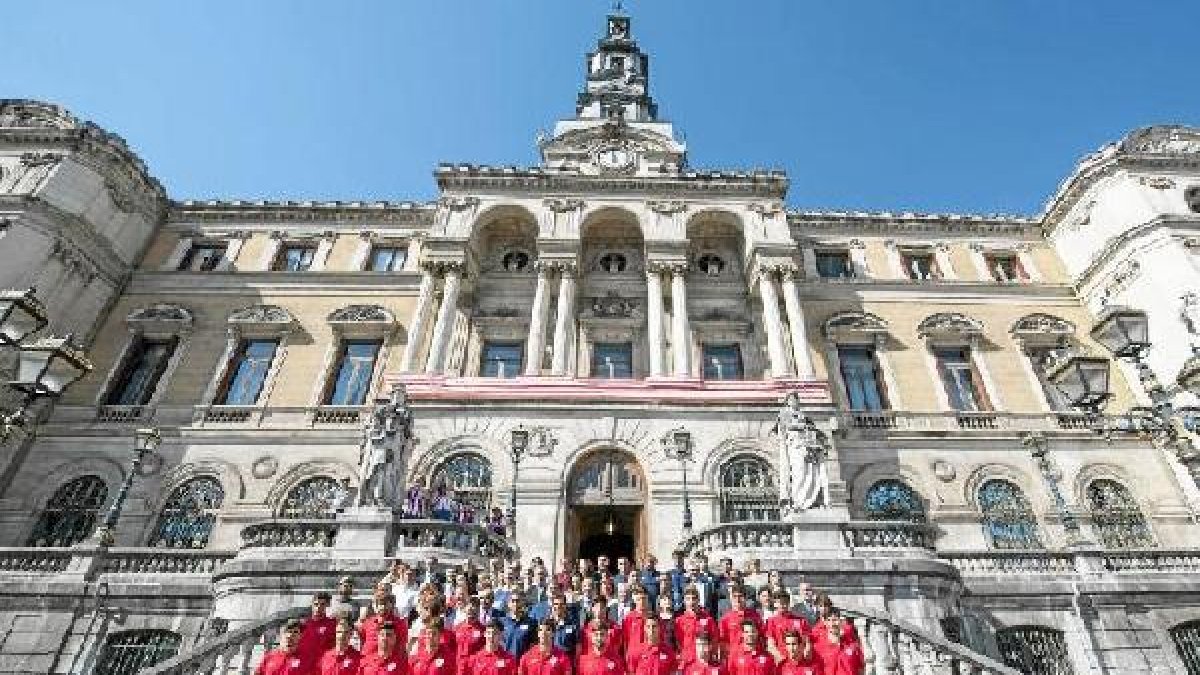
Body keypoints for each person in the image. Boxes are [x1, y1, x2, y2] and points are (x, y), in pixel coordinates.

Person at [718, 586, 763, 659]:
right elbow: (723, 643)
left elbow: (761, 637)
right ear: (731, 599)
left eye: (740, 596)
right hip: (735, 658)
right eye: (734, 596)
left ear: (745, 598)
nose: (738, 599)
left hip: (754, 657)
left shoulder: (755, 615)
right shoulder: (725, 619)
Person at [675, 586, 717, 663]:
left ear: (698, 600)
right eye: (688, 599)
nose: (691, 602)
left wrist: (709, 655)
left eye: (694, 598)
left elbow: (714, 640)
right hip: (687, 660)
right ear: (684, 601)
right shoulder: (679, 621)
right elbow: (679, 642)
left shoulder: (708, 620)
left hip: (704, 661)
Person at [360, 594, 409, 661]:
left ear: (391, 605)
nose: (383, 607)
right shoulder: (368, 622)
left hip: (390, 662)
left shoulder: (400, 624)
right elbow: (363, 639)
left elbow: (402, 645)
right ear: (376, 606)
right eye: (380, 604)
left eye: (386, 604)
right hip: (368, 661)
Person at [765, 591, 810, 662]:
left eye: (785, 603)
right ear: (775, 604)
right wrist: (779, 656)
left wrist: (805, 652)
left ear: (789, 603)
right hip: (782, 660)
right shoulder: (771, 622)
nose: (782, 605)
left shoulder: (801, 621)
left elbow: (807, 642)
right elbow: (770, 645)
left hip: (799, 660)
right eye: (779, 603)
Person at [298, 593, 337, 668]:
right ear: (312, 605)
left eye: (322, 604)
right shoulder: (303, 624)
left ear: (327, 605)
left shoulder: (332, 624)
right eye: (316, 604)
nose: (318, 607)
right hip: (302, 667)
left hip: (321, 667)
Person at [620, 586, 653, 672]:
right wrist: (626, 657)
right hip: (633, 657)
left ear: (647, 599)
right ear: (635, 600)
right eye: (639, 599)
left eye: (644, 599)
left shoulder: (653, 617)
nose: (641, 602)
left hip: (649, 655)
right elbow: (625, 641)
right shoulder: (629, 618)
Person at [454, 596, 487, 675]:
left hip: (475, 669)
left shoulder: (483, 630)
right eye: (469, 612)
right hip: (459, 669)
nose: (471, 615)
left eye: (474, 612)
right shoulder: (457, 628)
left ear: (478, 611)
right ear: (465, 610)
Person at [501, 593, 539, 658]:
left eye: (518, 601)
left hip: (522, 664)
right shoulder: (501, 622)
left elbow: (534, 646)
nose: (515, 604)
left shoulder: (532, 623)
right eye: (513, 601)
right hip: (505, 663)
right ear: (508, 604)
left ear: (523, 603)